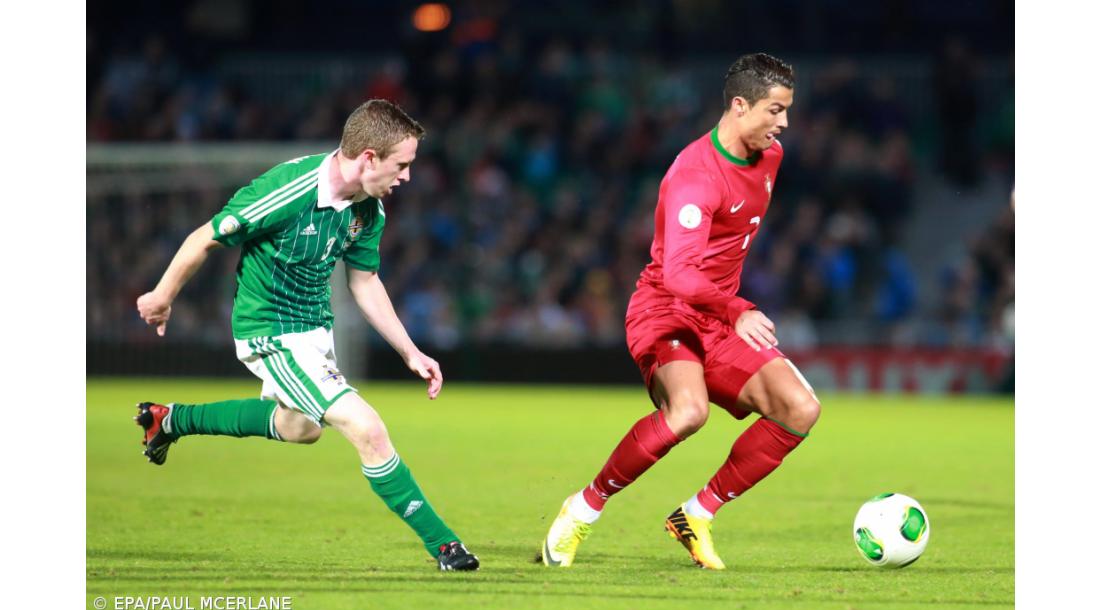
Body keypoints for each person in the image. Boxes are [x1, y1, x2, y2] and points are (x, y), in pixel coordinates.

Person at [135, 99, 479, 572]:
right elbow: (204, 237)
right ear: (369, 159)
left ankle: (169, 420)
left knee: (301, 429)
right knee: (368, 428)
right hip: (270, 332)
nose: (407, 176)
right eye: (403, 164)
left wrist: (409, 350)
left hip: (315, 331)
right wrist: (161, 295)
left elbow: (364, 281)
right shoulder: (285, 191)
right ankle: (445, 545)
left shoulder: (367, 211)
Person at [539, 54, 821, 569]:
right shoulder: (695, 177)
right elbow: (680, 275)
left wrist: (727, 311)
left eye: (787, 111)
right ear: (740, 106)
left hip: (715, 318)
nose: (783, 125)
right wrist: (736, 307)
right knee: (689, 412)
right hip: (667, 309)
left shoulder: (770, 157)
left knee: (800, 410)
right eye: (775, 111)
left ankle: (696, 514)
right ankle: (583, 507)